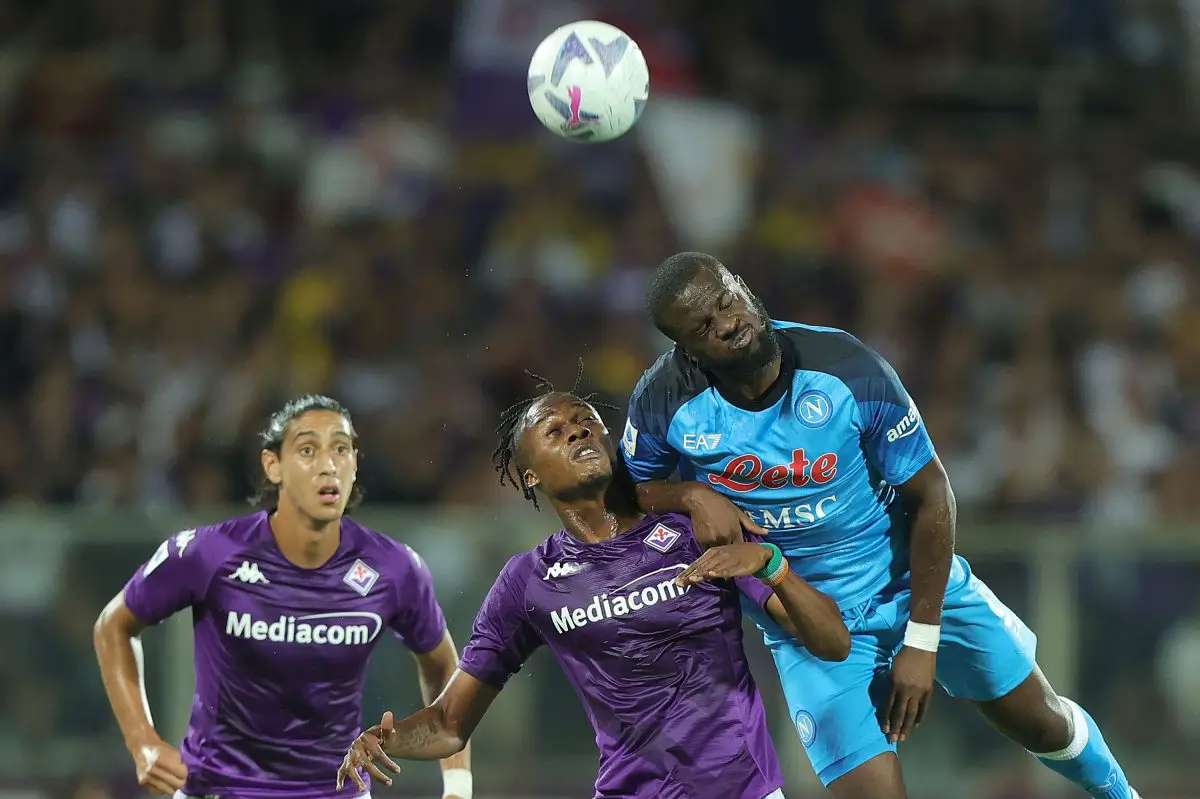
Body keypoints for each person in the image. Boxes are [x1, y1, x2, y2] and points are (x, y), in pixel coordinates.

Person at [622, 252, 1141, 799]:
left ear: (744, 288)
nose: (728, 323)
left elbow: (933, 493)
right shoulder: (664, 399)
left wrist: (921, 640)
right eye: (704, 326)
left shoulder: (847, 366)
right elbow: (625, 494)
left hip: (904, 584)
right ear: (686, 350)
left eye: (727, 302)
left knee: (1043, 724)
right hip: (802, 619)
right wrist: (690, 492)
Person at [336, 382, 852, 798]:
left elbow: (833, 641)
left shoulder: (695, 526)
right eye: (555, 431)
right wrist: (388, 739)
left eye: (588, 423)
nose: (578, 432)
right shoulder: (527, 582)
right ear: (529, 475)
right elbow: (451, 723)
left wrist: (773, 564)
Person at [93, 395, 473, 799]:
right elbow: (113, 625)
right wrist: (142, 742)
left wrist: (457, 785)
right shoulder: (209, 554)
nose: (328, 465)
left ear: (355, 463)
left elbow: (443, 667)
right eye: (308, 449)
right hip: (220, 790)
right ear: (272, 466)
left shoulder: (396, 569)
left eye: (341, 449)